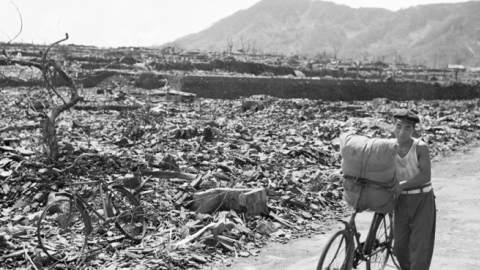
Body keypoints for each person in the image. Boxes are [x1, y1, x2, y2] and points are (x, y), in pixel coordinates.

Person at [389, 109, 436, 270]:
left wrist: (402, 185)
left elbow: (425, 176)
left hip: (421, 200)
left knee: (420, 249)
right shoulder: (389, 147)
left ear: (414, 130)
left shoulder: (420, 147)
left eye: (407, 128)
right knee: (400, 248)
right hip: (401, 202)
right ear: (393, 126)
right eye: (398, 126)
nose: (401, 132)